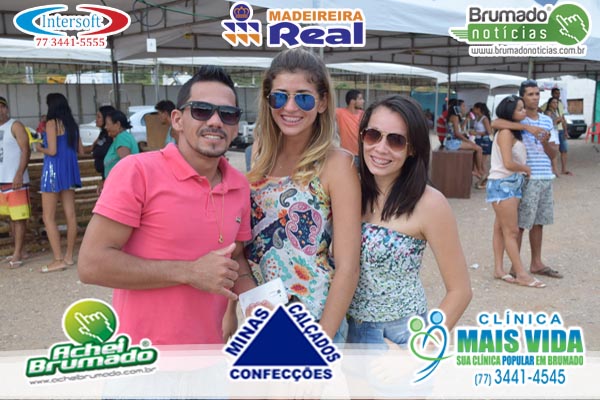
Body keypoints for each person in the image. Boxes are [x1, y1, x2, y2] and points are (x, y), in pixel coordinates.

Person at [78, 65, 257, 345]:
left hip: (211, 353)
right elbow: (91, 264)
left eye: (228, 114)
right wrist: (188, 272)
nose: (215, 121)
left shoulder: (239, 186)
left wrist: (255, 305)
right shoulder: (137, 172)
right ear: (177, 120)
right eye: (201, 110)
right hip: (143, 356)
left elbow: (235, 259)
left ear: (235, 126)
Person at [246, 48, 361, 342]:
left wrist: (321, 340)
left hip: (313, 320)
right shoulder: (259, 158)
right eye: (279, 97)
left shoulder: (338, 164)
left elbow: (348, 267)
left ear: (322, 102)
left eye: (304, 98)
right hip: (262, 318)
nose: (290, 107)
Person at [347, 95, 471, 346]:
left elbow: (460, 291)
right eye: (373, 135)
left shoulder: (429, 203)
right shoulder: (349, 189)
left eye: (396, 140)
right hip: (345, 330)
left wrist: (417, 350)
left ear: (412, 148)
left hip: (399, 335)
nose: (381, 148)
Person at [492, 80, 563, 280]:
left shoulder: (547, 120)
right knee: (520, 224)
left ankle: (536, 263)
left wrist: (545, 142)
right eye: (530, 94)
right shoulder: (518, 120)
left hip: (544, 176)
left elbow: (553, 154)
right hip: (526, 178)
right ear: (522, 97)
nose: (535, 98)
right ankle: (516, 267)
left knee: (539, 222)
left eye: (537, 94)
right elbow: (495, 123)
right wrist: (527, 128)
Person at [486, 96, 545, 288]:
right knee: (511, 231)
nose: (524, 111)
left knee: (499, 228)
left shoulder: (512, 130)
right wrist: (525, 169)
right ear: (510, 112)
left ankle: (498, 269)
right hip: (504, 183)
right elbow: (508, 163)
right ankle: (521, 274)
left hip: (509, 183)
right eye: (520, 109)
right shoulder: (505, 132)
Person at [35, 93, 82, 273]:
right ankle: (69, 256)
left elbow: (52, 151)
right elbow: (80, 150)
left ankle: (57, 259)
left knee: (48, 216)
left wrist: (40, 147)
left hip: (53, 170)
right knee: (71, 215)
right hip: (70, 170)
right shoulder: (72, 125)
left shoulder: (51, 123)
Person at [0, 96, 31, 268]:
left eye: (2, 107)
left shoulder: (15, 126)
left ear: (6, 109)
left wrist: (19, 173)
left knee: (19, 218)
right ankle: (20, 250)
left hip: (15, 180)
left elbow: (26, 150)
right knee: (11, 218)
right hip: (2, 180)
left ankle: (17, 253)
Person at [444, 99, 485, 182]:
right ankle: (479, 171)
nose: (464, 108)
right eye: (463, 106)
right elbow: (457, 133)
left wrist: (466, 119)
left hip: (452, 142)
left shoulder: (454, 116)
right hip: (452, 143)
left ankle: (476, 170)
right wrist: (468, 141)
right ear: (457, 107)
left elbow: (460, 129)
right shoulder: (455, 117)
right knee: (479, 149)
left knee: (476, 149)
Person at [103, 109, 139, 178]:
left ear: (118, 124)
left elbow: (126, 164)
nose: (105, 127)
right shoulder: (124, 137)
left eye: (107, 124)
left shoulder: (122, 138)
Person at [543, 97, 569, 177]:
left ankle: (554, 169)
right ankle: (552, 169)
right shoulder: (548, 112)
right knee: (552, 150)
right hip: (551, 133)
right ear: (549, 104)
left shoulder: (555, 112)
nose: (556, 104)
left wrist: (560, 121)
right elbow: (549, 124)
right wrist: (557, 120)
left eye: (556, 103)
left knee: (555, 151)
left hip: (555, 132)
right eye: (554, 102)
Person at [335, 89, 364, 157]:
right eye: (360, 99)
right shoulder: (340, 113)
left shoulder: (363, 115)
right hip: (345, 154)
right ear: (352, 101)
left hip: (360, 154)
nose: (363, 101)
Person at [471, 102, 494, 189]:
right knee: (478, 163)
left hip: (484, 142)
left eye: (474, 108)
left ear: (478, 109)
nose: (473, 110)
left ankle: (485, 181)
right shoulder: (477, 118)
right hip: (478, 140)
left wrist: (477, 133)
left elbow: (489, 132)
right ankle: (483, 181)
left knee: (482, 163)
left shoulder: (484, 119)